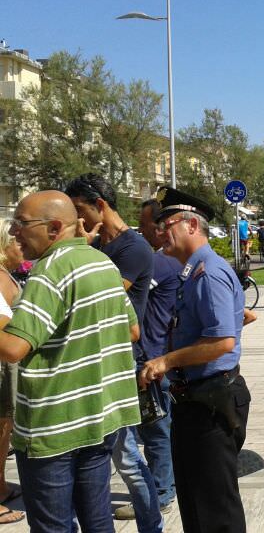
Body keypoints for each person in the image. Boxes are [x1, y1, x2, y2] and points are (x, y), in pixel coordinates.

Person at [0, 191, 141, 531]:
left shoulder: (49, 271)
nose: (15, 232)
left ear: (54, 227)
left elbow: (13, 349)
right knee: (97, 521)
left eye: (21, 224)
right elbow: (132, 330)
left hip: (53, 428)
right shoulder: (101, 262)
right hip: (99, 418)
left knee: (54, 526)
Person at [138, 187, 250, 533]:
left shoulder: (208, 273)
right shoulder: (195, 271)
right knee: (197, 502)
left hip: (210, 402)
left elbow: (221, 341)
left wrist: (166, 361)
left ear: (190, 225)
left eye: (166, 224)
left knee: (215, 509)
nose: (159, 233)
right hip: (196, 399)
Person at [64, 173, 163, 532]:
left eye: (79, 210)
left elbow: (96, 297)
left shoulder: (131, 247)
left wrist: (77, 247)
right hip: (96, 358)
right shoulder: (98, 244)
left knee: (126, 458)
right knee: (109, 455)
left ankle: (152, 525)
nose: (76, 219)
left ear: (100, 205)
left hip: (120, 360)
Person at [127, 199, 184, 516]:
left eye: (144, 224)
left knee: (155, 429)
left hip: (152, 356)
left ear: (161, 228)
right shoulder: (173, 261)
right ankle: (167, 484)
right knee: (160, 426)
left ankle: (161, 492)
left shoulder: (159, 263)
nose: (140, 229)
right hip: (162, 355)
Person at [0, 220, 24, 525]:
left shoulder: (7, 275)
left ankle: (2, 486)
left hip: (6, 364)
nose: (22, 246)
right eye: (16, 241)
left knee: (4, 427)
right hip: (3, 364)